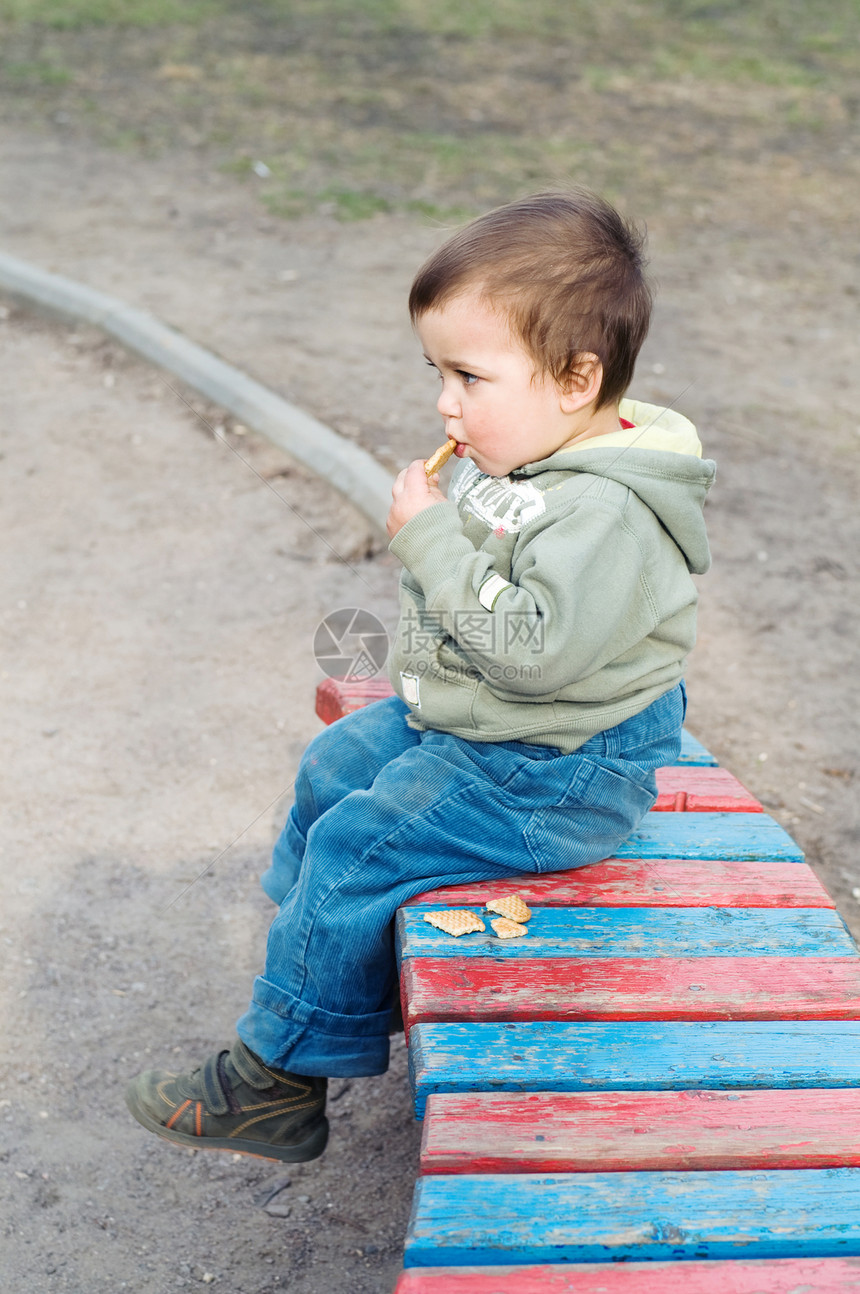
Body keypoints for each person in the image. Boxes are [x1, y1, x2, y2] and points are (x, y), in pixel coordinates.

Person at [125, 189, 716, 1163]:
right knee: (335, 763)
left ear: (575, 378)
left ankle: (276, 1079)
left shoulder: (603, 513)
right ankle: (323, 961)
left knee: (360, 842)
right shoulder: (542, 447)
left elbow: (532, 653)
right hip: (494, 728)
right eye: (435, 371)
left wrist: (432, 540)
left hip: (557, 768)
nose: (445, 401)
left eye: (469, 376)